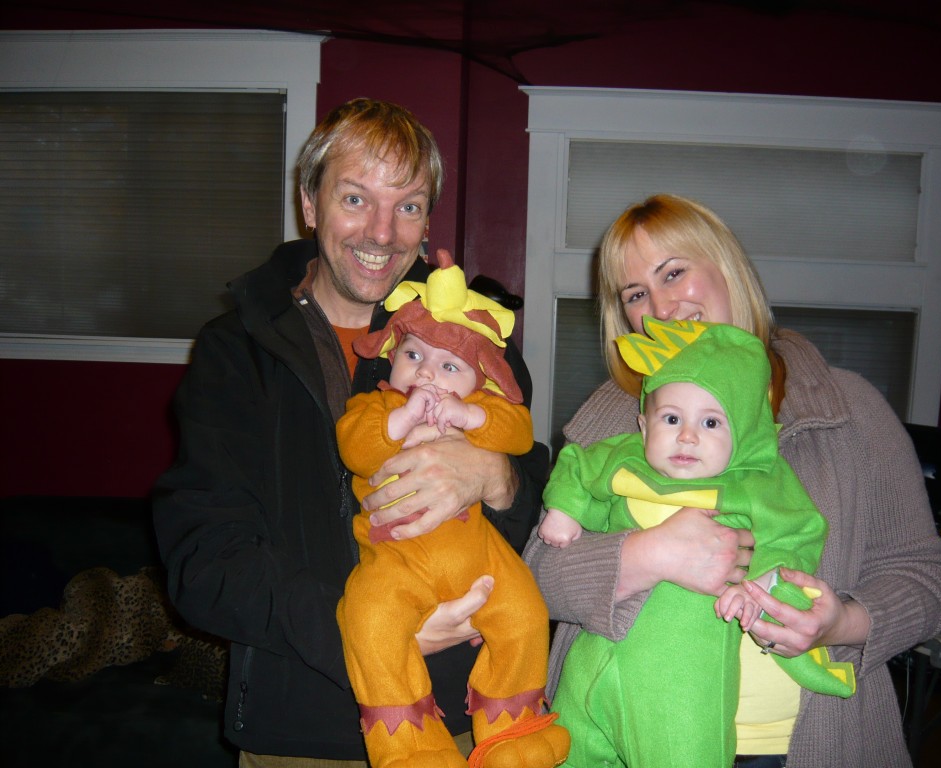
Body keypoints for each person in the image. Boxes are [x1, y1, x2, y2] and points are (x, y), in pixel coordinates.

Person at [152, 98, 550, 766]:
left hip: (463, 726)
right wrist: (371, 633)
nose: (383, 233)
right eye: (356, 199)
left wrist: (500, 479)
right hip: (300, 731)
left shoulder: (474, 339)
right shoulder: (235, 352)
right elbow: (204, 562)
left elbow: (541, 503)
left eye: (409, 206)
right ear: (310, 203)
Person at [523, 194, 941, 768]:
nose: (661, 307)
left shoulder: (850, 408)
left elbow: (922, 577)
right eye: (635, 294)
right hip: (626, 743)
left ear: (727, 267)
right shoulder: (610, 419)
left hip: (814, 746)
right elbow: (536, 576)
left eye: (673, 272)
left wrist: (842, 623)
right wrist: (645, 555)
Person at [539, 319, 853, 767]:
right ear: (643, 427)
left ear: (742, 436)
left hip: (681, 682)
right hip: (588, 667)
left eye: (710, 422)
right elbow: (576, 466)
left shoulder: (755, 487)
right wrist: (564, 510)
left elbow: (797, 533)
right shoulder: (623, 457)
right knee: (569, 753)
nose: (687, 436)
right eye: (671, 419)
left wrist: (760, 587)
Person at [335, 252, 568, 768]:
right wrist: (404, 420)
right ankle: (409, 748)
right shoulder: (377, 407)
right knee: (369, 621)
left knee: (525, 614)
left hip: (479, 554)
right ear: (392, 358)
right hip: (398, 561)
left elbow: (519, 432)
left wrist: (469, 415)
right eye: (414, 356)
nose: (428, 376)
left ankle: (514, 735)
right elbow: (356, 447)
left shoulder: (481, 412)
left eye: (450, 366)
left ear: (480, 380)